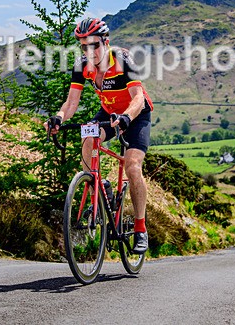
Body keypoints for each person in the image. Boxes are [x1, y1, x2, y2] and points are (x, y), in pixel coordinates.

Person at [46, 18, 154, 254]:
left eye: (94, 45)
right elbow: (71, 102)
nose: (89, 51)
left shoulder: (122, 59)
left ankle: (140, 228)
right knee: (87, 138)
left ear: (106, 42)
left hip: (136, 115)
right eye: (84, 46)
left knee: (133, 167)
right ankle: (99, 185)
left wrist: (126, 117)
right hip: (108, 113)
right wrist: (58, 118)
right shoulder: (82, 64)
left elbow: (138, 97)